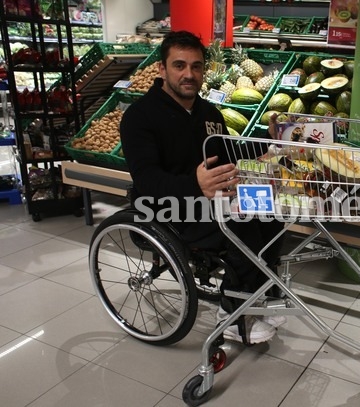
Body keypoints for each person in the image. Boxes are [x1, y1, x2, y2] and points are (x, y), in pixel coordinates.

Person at [120, 30, 285, 344]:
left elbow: (228, 152)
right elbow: (146, 179)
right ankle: (232, 312)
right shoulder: (139, 117)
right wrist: (195, 184)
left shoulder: (209, 113)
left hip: (213, 198)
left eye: (196, 67)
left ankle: (259, 295)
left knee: (272, 213)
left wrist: (270, 143)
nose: (188, 74)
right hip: (166, 209)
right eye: (179, 65)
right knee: (243, 222)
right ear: (162, 69)